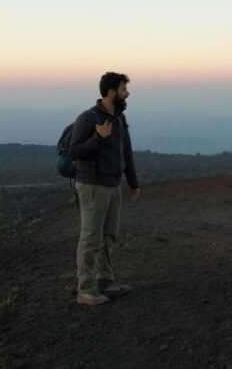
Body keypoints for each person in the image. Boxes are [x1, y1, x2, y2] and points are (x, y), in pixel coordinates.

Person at [69, 72, 141, 305]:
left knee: (109, 236)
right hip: (92, 186)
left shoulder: (119, 119)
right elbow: (75, 152)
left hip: (113, 185)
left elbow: (126, 152)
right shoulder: (88, 118)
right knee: (91, 239)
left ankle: (105, 281)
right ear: (111, 92)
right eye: (123, 89)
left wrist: (133, 182)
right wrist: (98, 138)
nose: (127, 93)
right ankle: (86, 290)